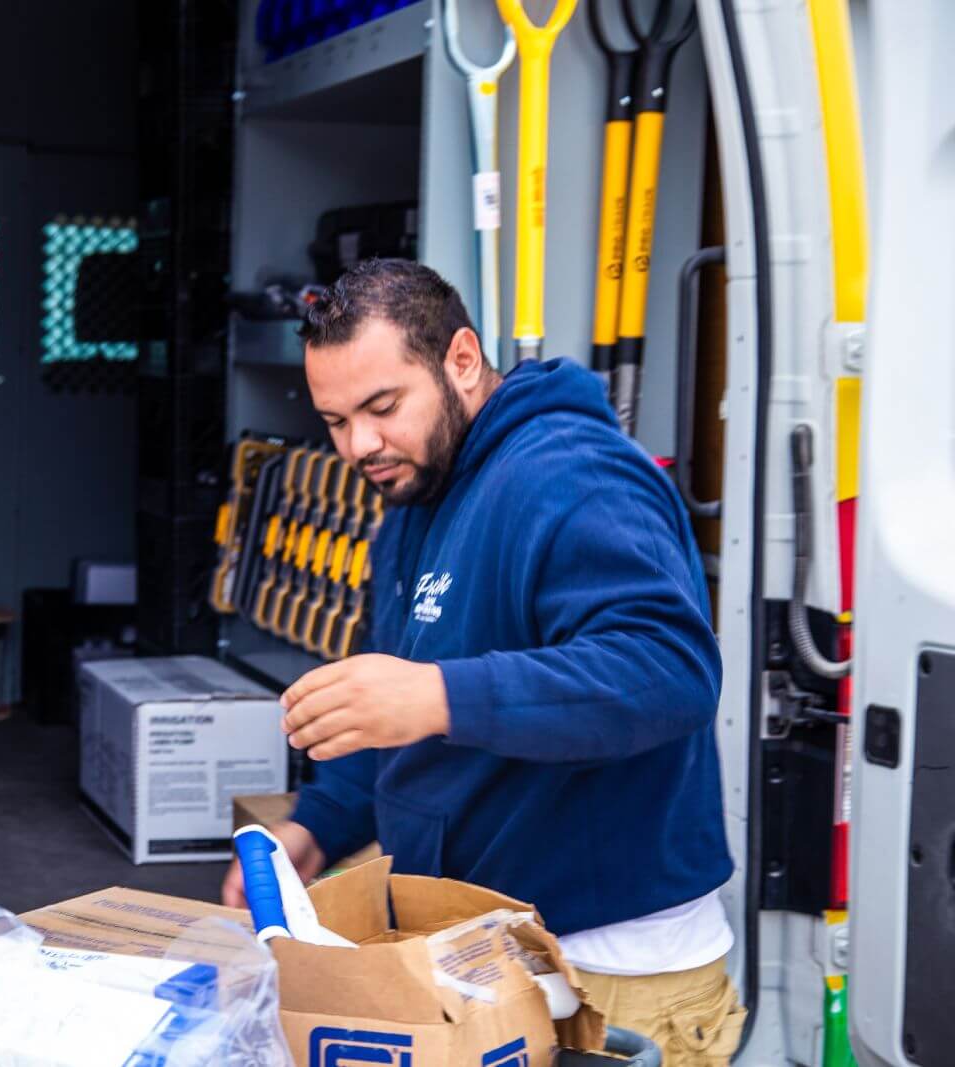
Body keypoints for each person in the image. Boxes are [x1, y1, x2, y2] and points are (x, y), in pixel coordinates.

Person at [221, 259, 746, 1066]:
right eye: (334, 420)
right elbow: (398, 715)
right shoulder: (415, 496)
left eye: (382, 406)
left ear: (461, 360)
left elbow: (668, 669)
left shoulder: (575, 474)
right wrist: (316, 829)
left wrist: (439, 695)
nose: (360, 444)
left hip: (612, 980)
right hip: (484, 964)